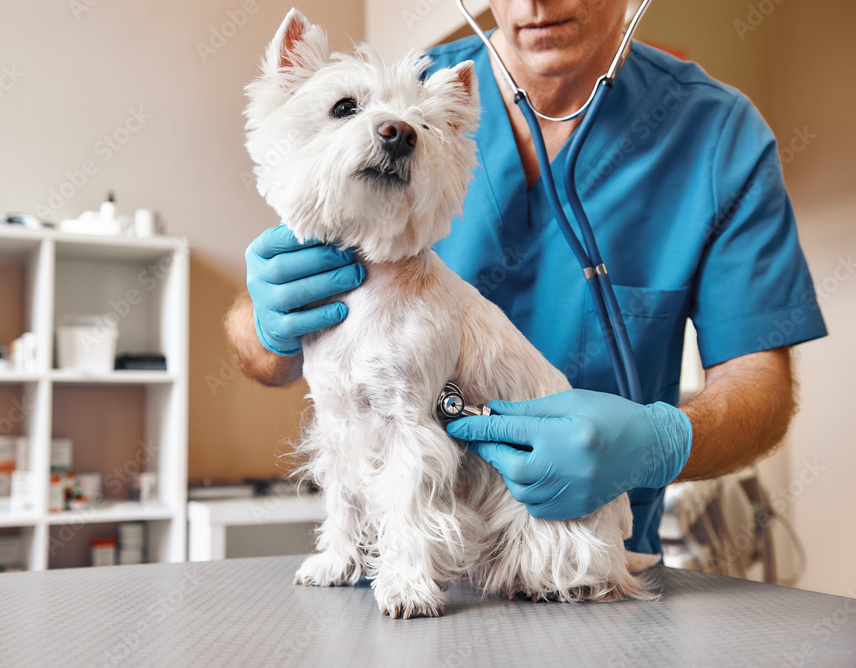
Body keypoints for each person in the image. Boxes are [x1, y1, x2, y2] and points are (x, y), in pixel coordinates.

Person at [225, 0, 828, 556]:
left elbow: (761, 389)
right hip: (400, 569)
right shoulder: (398, 100)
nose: (533, 3)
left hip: (576, 554)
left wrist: (656, 442)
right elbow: (267, 348)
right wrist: (264, 322)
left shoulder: (719, 136)